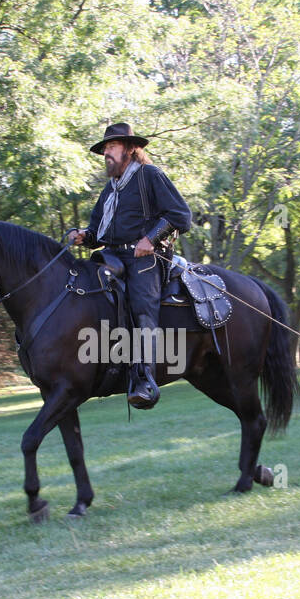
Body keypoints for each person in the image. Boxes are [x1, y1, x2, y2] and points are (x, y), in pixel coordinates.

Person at [70, 123, 192, 409]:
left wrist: (151, 239)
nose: (107, 154)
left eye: (111, 148)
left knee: (141, 308)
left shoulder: (150, 176)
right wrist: (83, 236)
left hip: (145, 260)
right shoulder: (109, 190)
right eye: (104, 150)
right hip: (111, 257)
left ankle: (144, 380)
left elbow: (181, 215)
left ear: (129, 149)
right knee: (84, 296)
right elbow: (97, 233)